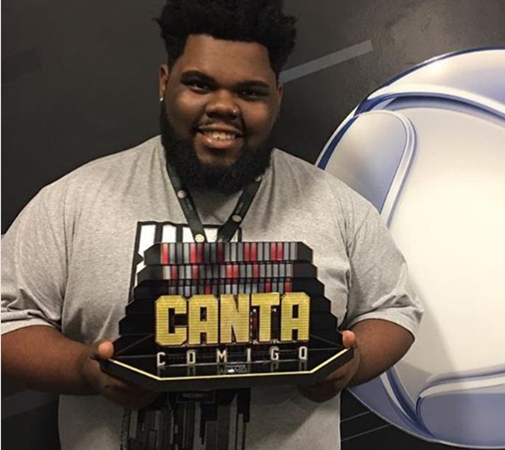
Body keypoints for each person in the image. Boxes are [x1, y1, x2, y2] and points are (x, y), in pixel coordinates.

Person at [1, 1, 422, 449]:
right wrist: (83, 368)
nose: (223, 106)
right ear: (166, 83)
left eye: (250, 92)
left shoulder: (338, 207)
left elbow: (394, 309)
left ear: (277, 98)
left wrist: (351, 364)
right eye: (200, 84)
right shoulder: (74, 201)